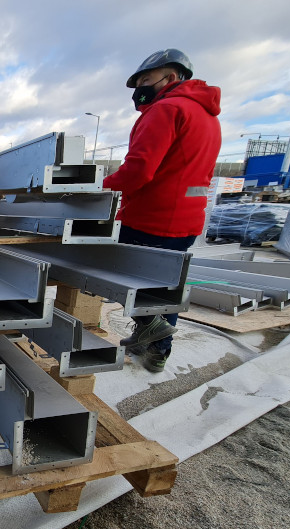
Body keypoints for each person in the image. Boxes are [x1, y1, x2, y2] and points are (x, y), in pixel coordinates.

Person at [102, 49, 222, 372]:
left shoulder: (166, 110)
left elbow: (139, 170)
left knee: (109, 267)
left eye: (146, 79)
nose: (141, 86)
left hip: (151, 218)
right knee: (167, 286)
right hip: (188, 219)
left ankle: (149, 325)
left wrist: (98, 188)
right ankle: (158, 351)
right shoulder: (208, 118)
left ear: (171, 77)